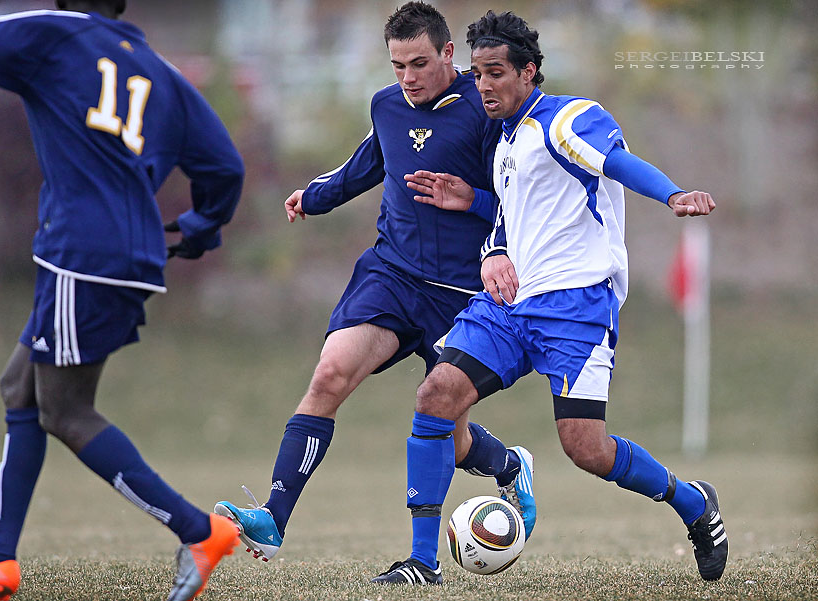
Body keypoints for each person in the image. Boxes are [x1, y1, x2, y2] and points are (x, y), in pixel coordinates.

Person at [373, 10, 727, 585]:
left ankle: (693, 503)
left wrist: (673, 194)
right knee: (437, 395)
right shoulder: (504, 139)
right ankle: (422, 561)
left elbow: (617, 163)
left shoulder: (568, 118)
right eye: (478, 74)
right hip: (510, 303)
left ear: (528, 71)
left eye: (495, 73)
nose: (484, 85)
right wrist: (483, 224)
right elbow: (520, 213)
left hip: (576, 307)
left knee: (587, 448)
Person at [0, 2, 245, 600]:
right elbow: (224, 167)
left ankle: (200, 532)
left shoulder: (55, 33)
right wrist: (202, 226)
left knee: (65, 411)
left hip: (83, 254)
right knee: (20, 387)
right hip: (126, 252)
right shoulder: (160, 71)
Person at [214, 2, 535, 581]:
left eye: (419, 63)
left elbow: (522, 202)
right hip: (392, 276)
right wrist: (315, 196)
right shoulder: (386, 105)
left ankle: (509, 466)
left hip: (462, 294)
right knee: (330, 375)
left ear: (448, 54)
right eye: (397, 65)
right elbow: (367, 165)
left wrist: (475, 202)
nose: (408, 77)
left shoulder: (488, 111)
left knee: (451, 433)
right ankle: (273, 519)